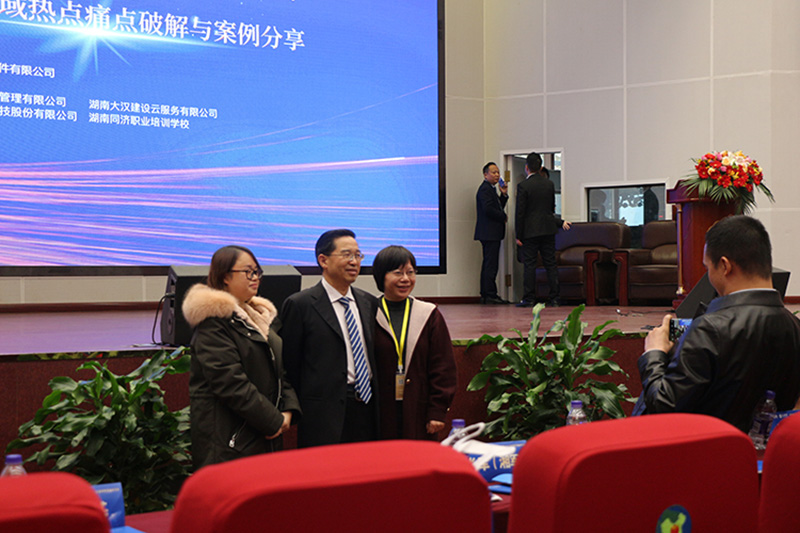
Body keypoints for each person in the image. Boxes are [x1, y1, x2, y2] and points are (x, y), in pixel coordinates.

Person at [634, 215, 800, 432]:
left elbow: (664, 407)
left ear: (724, 266)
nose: (709, 276)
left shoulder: (709, 329)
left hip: (706, 447)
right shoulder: (795, 326)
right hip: (761, 449)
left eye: (708, 268)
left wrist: (654, 354)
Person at [182, 245, 300, 469]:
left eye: (257, 271)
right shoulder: (213, 323)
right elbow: (230, 383)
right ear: (225, 277)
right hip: (230, 442)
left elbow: (280, 372)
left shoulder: (261, 319)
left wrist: (288, 410)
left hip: (265, 433)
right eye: (248, 272)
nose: (255, 278)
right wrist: (274, 421)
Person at [281, 229, 380, 447]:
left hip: (367, 408)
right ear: (323, 260)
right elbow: (289, 364)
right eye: (346, 255)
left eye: (358, 255)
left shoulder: (369, 302)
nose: (354, 261)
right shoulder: (300, 304)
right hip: (322, 415)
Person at [372, 245, 457, 440]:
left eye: (410, 272)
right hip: (378, 412)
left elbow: (443, 367)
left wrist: (437, 411)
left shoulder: (428, 314)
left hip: (419, 410)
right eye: (398, 273)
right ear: (381, 276)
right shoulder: (368, 311)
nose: (405, 279)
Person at [515, 152, 571, 307]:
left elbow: (520, 213)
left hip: (530, 231)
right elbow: (551, 209)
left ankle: (529, 298)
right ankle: (555, 297)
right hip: (548, 228)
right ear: (540, 167)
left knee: (530, 265)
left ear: (527, 167)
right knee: (550, 264)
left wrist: (519, 234)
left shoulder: (523, 186)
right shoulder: (549, 184)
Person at [474, 161, 510, 304]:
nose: (497, 175)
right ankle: (490, 294)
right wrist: (503, 217)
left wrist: (504, 195)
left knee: (490, 263)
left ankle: (487, 293)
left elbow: (497, 207)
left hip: (491, 233)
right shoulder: (485, 189)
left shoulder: (491, 189)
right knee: (490, 264)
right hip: (489, 233)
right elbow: (489, 210)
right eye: (493, 172)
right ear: (485, 174)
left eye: (498, 172)